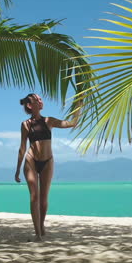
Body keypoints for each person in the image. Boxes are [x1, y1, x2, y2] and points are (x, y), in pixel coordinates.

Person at [15, 93, 81, 241]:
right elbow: (22, 148)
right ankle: (37, 233)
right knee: (34, 197)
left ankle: (41, 224)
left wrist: (79, 107)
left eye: (40, 99)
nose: (40, 100)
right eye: (36, 99)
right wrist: (18, 169)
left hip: (47, 161)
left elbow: (71, 123)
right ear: (30, 106)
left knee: (43, 198)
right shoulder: (25, 125)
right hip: (31, 160)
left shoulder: (49, 121)